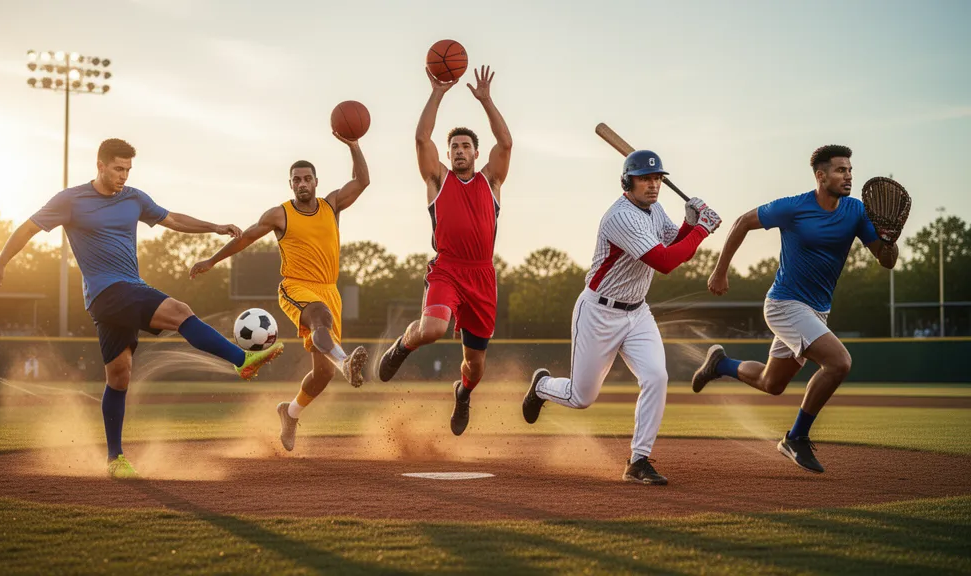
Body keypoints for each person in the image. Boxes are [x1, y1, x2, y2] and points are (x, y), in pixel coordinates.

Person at [0, 138, 284, 479]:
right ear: (100, 165)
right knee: (179, 311)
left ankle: (115, 460)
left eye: (127, 169)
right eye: (117, 169)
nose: (123, 176)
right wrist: (0, 264)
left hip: (122, 293)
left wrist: (213, 227)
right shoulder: (71, 200)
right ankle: (242, 360)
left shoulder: (134, 198)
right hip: (107, 292)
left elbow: (172, 219)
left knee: (119, 375)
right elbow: (28, 228)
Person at [691, 145, 899, 474]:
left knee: (771, 383)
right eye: (840, 170)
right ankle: (797, 437)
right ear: (820, 175)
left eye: (849, 170)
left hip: (816, 311)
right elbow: (743, 221)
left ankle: (721, 363)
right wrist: (720, 271)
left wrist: (889, 240)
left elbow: (886, 261)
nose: (848, 175)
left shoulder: (856, 212)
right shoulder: (794, 207)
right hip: (785, 304)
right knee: (839, 363)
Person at [522, 150, 721, 485]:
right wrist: (702, 228)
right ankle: (542, 386)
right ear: (627, 182)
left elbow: (673, 242)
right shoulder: (621, 217)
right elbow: (666, 261)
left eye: (657, 178)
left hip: (637, 312)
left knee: (657, 377)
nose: (653, 185)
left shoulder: (655, 209)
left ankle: (638, 460)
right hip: (598, 312)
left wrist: (689, 223)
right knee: (581, 397)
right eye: (645, 178)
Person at [191, 130, 370, 452]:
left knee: (322, 374)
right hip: (295, 287)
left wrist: (354, 144)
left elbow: (362, 181)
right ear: (290, 185)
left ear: (316, 181)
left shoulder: (331, 205)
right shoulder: (280, 214)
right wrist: (212, 260)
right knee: (319, 318)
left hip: (330, 290)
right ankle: (346, 363)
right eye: (296, 180)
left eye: (307, 179)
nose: (302, 184)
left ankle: (290, 413)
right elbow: (245, 237)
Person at [377, 65, 512, 437]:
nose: (459, 151)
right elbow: (422, 138)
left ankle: (462, 393)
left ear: (476, 152)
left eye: (466, 146)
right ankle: (404, 345)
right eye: (454, 147)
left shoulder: (491, 181)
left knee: (475, 367)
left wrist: (486, 100)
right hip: (448, 269)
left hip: (483, 275)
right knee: (434, 328)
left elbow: (506, 144)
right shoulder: (438, 179)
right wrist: (437, 91)